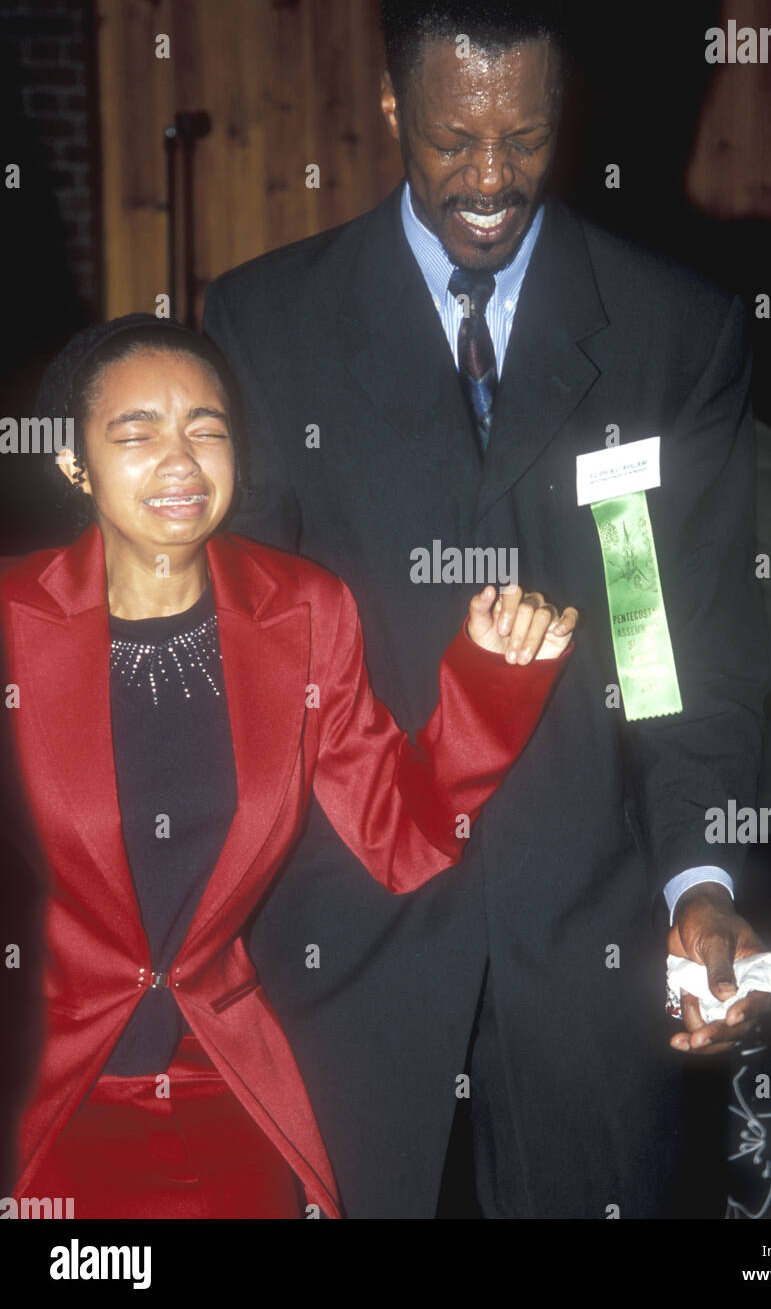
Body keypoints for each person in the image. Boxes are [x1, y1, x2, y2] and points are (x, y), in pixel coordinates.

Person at [203, 0, 771, 1219]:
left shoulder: (670, 337)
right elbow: (251, 674)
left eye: (522, 136)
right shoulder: (263, 327)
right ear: (391, 96)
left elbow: (663, 643)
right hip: (334, 951)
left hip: (586, 940)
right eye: (453, 136)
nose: (488, 177)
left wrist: (698, 884)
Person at [0, 313, 573, 1220]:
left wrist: (492, 683)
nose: (180, 460)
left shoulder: (303, 610)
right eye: (136, 431)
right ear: (74, 465)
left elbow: (403, 837)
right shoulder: (10, 620)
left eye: (207, 429)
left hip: (224, 1084)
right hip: (45, 1086)